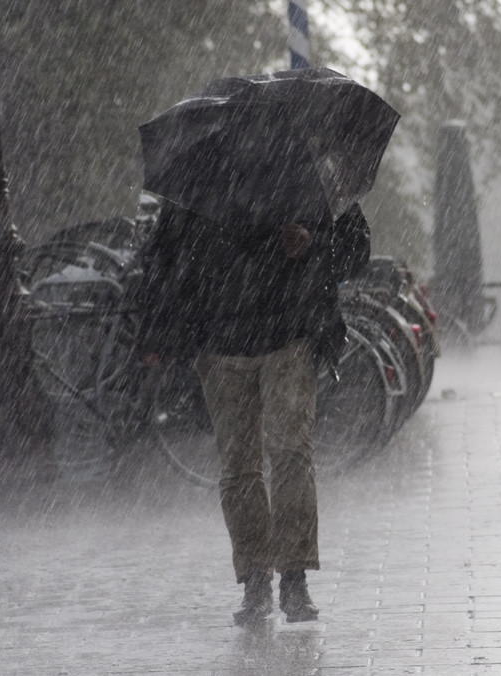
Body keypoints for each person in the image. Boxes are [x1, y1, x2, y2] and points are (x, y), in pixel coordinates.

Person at [136, 199, 370, 626]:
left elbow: (355, 252)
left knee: (291, 456)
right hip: (219, 342)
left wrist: (313, 244)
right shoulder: (199, 179)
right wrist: (156, 333)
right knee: (240, 467)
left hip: (290, 335)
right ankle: (256, 580)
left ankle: (294, 578)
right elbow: (164, 257)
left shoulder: (308, 171)